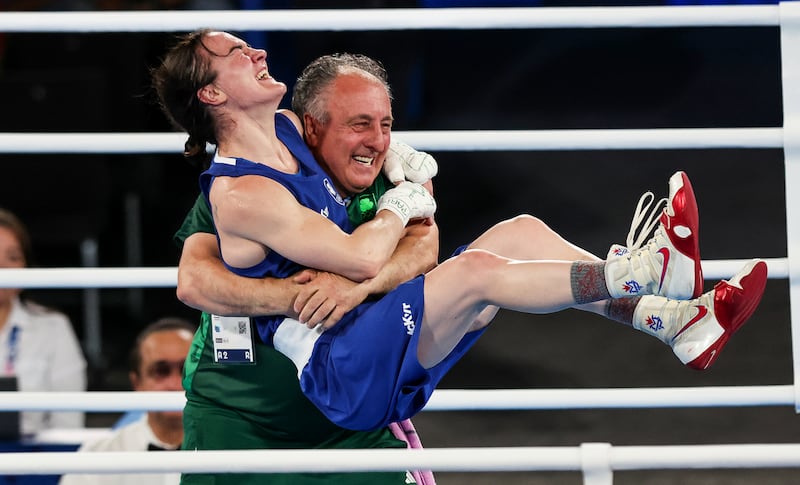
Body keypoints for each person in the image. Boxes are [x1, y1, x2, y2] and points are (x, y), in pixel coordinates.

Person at [153, 28, 767, 478]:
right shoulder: (240, 194)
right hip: (334, 371)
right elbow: (221, 276)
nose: (256, 51)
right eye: (237, 53)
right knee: (476, 274)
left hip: (367, 343)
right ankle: (636, 272)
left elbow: (413, 237)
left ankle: (671, 320)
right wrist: (405, 197)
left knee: (518, 232)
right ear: (211, 94)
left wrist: (395, 165)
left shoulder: (291, 129)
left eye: (383, 123)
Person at [170, 52, 439, 485]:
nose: (373, 141)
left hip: (351, 427)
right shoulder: (246, 184)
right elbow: (194, 279)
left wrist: (353, 288)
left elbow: (426, 245)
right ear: (312, 125)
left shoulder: (380, 175)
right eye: (357, 125)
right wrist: (295, 298)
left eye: (383, 126)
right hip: (239, 418)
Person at [59, 317, 195, 485]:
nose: (175, 383)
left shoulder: (232, 448)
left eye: (186, 370)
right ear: (137, 383)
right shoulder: (98, 457)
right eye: (161, 371)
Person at [0, 207, 86, 436]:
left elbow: (68, 425)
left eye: (13, 257)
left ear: (26, 265)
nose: (3, 268)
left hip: (33, 460)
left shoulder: (53, 327)